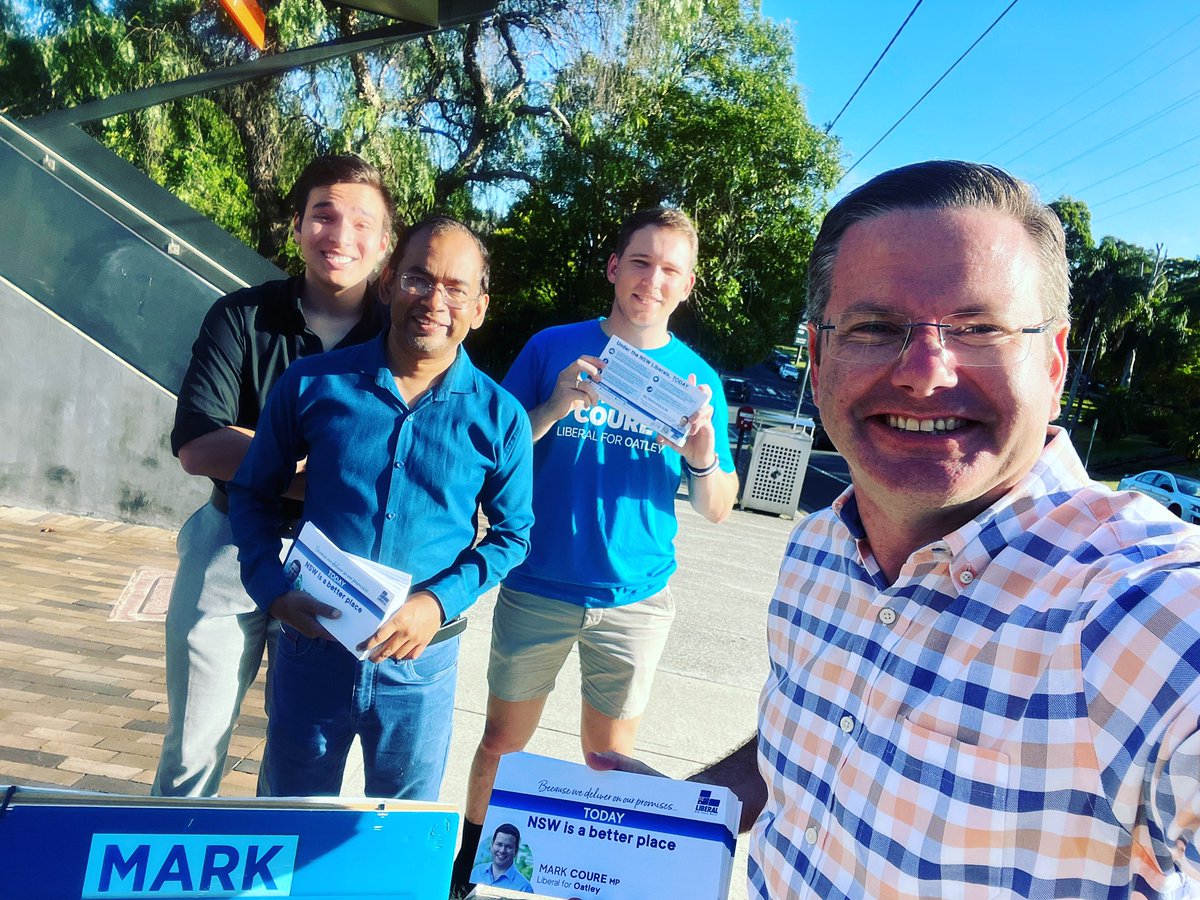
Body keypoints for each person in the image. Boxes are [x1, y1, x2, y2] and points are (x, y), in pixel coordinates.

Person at [593, 160, 1200, 898]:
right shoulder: (819, 550)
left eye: (979, 328)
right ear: (817, 360)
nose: (924, 372)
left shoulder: (1137, 611)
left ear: (1054, 362)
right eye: (877, 327)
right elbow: (822, 730)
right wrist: (688, 815)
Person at [453, 206, 739, 885]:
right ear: (614, 268)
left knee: (608, 762)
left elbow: (719, 506)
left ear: (689, 284)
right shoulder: (554, 347)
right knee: (501, 743)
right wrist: (553, 406)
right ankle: (467, 867)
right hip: (539, 584)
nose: (653, 279)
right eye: (641, 262)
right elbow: (493, 450)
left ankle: (591, 878)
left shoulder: (699, 384)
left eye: (671, 269)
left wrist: (701, 456)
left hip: (635, 600)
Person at [229, 215, 534, 800]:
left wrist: (437, 603)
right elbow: (252, 492)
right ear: (391, 279)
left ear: (480, 307)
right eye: (419, 278)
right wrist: (270, 588)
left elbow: (513, 534)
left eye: (455, 288)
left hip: (420, 665)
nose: (433, 300)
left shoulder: (501, 417)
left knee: (402, 835)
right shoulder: (313, 383)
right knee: (289, 822)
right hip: (312, 645)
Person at [152, 155, 393, 797]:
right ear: (296, 226)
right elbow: (200, 447)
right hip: (228, 544)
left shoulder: (402, 337)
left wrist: (263, 460)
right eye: (324, 214)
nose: (340, 235)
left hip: (342, 565)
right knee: (193, 751)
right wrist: (325, 476)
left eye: (361, 222)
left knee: (304, 763)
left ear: (385, 242)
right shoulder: (241, 317)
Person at [470, 824, 534, 893]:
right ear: (492, 846)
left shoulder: (524, 888)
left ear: (516, 851)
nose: (502, 850)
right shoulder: (476, 872)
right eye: (499, 844)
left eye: (508, 847)